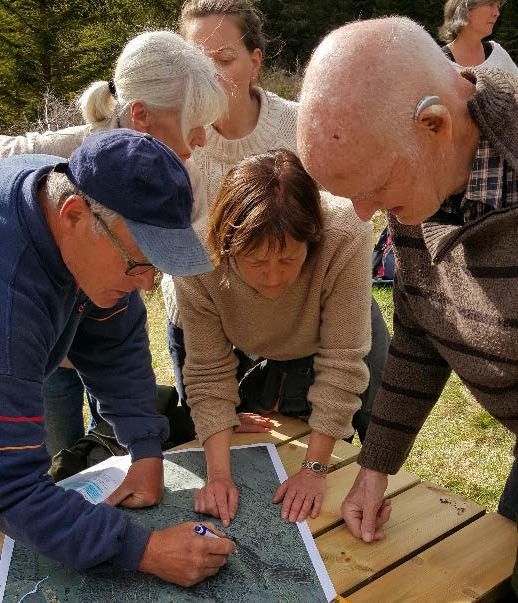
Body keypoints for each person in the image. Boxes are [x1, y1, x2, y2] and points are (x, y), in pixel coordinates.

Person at [0, 128, 236, 584]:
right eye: (138, 264)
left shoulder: (72, 200)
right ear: (74, 215)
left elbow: (116, 342)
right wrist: (144, 549)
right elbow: (3, 486)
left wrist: (145, 450)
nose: (147, 284)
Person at [297, 16, 518, 596]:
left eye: (374, 188)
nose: (367, 214)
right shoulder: (418, 174)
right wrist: (375, 466)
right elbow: (422, 331)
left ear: (433, 123)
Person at [0, 30, 227, 455]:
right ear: (141, 115)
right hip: (38, 340)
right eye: (193, 124)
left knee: (112, 430)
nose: (202, 140)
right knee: (52, 441)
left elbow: (128, 332)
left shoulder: (183, 176)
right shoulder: (61, 158)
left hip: (102, 316)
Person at [165, 0, 390, 441]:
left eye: (223, 60)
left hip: (312, 307)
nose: (207, 76)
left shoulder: (303, 126)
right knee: (215, 426)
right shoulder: (169, 139)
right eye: (194, 62)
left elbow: (342, 225)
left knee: (370, 420)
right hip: (206, 309)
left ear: (254, 62)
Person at [175, 149, 373, 527]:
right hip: (256, 343)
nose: (272, 278)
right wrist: (218, 477)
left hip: (337, 336)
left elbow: (342, 362)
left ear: (312, 242)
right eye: (256, 261)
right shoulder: (197, 257)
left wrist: (314, 470)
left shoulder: (345, 233)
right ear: (228, 247)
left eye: (288, 259)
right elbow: (208, 370)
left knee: (372, 439)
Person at [438, 0, 518, 75]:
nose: (497, 13)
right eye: (491, 4)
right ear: (466, 9)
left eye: (497, 6)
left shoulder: (497, 55)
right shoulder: (440, 62)